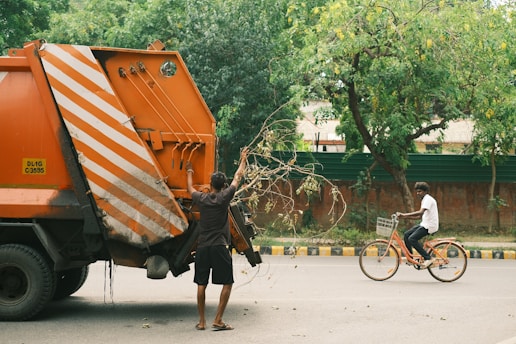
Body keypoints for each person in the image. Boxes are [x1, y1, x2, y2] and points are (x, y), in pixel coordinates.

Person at [186, 147, 248, 331]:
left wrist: (189, 171)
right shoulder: (224, 197)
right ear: (223, 185)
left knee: (201, 284)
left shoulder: (202, 198)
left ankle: (202, 321)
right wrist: (243, 159)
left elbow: (190, 189)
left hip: (203, 247)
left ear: (210, 184)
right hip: (220, 247)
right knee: (227, 283)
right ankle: (218, 319)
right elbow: (238, 177)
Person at [396, 182, 439, 269]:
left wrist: (404, 215)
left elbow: (420, 212)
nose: (418, 193)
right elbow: (419, 216)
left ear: (425, 191)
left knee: (412, 239)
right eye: (417, 191)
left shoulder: (428, 199)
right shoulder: (424, 200)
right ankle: (410, 259)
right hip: (424, 223)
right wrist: (404, 217)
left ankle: (428, 258)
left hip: (430, 226)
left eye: (420, 191)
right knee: (406, 235)